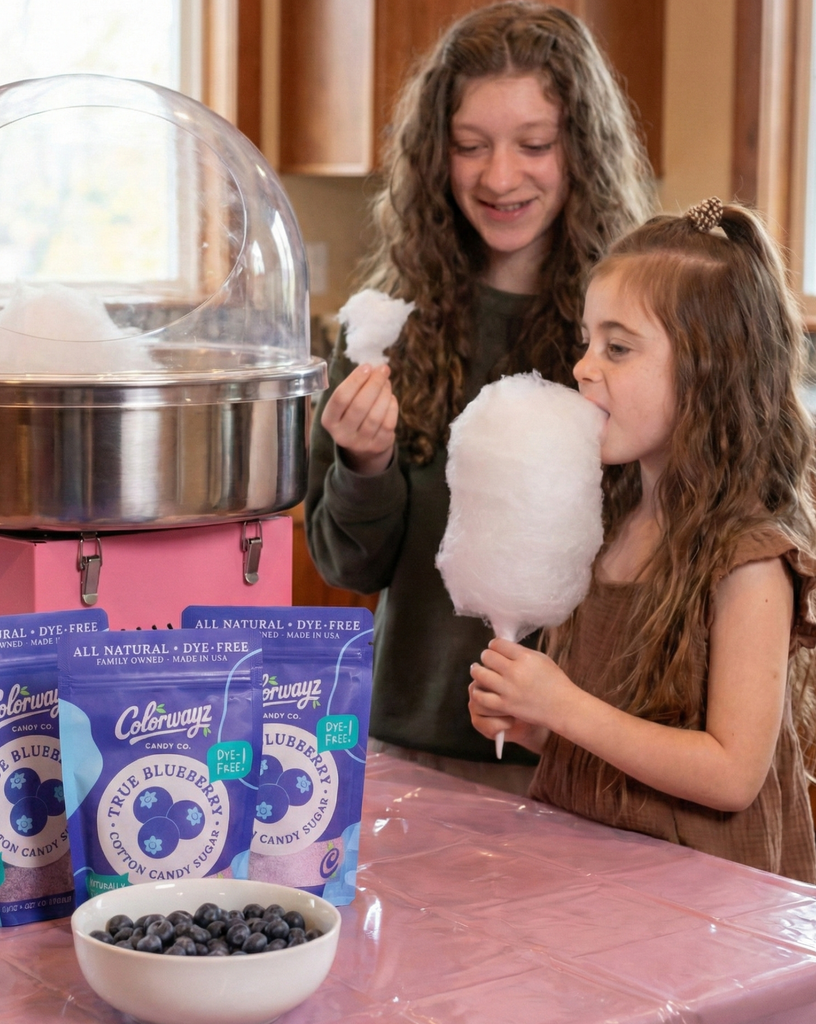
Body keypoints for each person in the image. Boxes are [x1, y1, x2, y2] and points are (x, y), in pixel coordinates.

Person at [304, 1, 656, 787]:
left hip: (583, 757)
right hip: (410, 740)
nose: (500, 177)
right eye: (470, 147)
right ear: (438, 155)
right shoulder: (382, 331)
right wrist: (363, 463)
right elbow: (349, 565)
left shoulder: (632, 339)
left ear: (583, 150)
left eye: (534, 145)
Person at [468, 198, 816, 880]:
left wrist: (564, 706)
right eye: (587, 341)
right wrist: (540, 725)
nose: (583, 368)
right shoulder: (605, 527)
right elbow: (623, 748)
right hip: (595, 881)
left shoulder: (747, 559)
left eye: (618, 348)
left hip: (708, 906)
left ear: (712, 369)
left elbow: (730, 774)